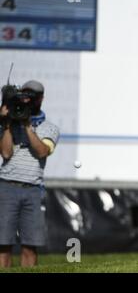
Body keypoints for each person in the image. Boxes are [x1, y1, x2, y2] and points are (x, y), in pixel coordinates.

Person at [0, 80, 60, 267]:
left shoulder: (50, 128)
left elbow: (42, 151)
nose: (27, 101)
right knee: (3, 245)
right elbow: (6, 153)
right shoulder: (6, 125)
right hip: (6, 187)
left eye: (32, 96)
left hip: (33, 190)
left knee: (30, 246)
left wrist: (27, 125)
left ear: (41, 99)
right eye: (24, 95)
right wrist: (8, 124)